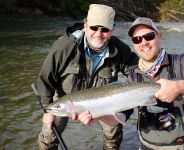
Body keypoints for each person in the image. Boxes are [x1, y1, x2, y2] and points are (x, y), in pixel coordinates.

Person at [76, 17, 184, 150]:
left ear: (159, 36)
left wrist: (178, 87)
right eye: (137, 39)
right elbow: (117, 120)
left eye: (149, 36)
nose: (143, 42)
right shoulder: (133, 78)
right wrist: (96, 114)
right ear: (134, 45)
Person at [37, 4, 138, 150]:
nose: (98, 33)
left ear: (112, 31)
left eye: (104, 29)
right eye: (94, 27)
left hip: (103, 101)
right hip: (64, 99)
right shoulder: (64, 47)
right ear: (85, 25)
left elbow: (138, 74)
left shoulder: (120, 49)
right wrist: (47, 110)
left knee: (113, 134)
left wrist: (124, 111)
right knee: (49, 135)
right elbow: (45, 79)